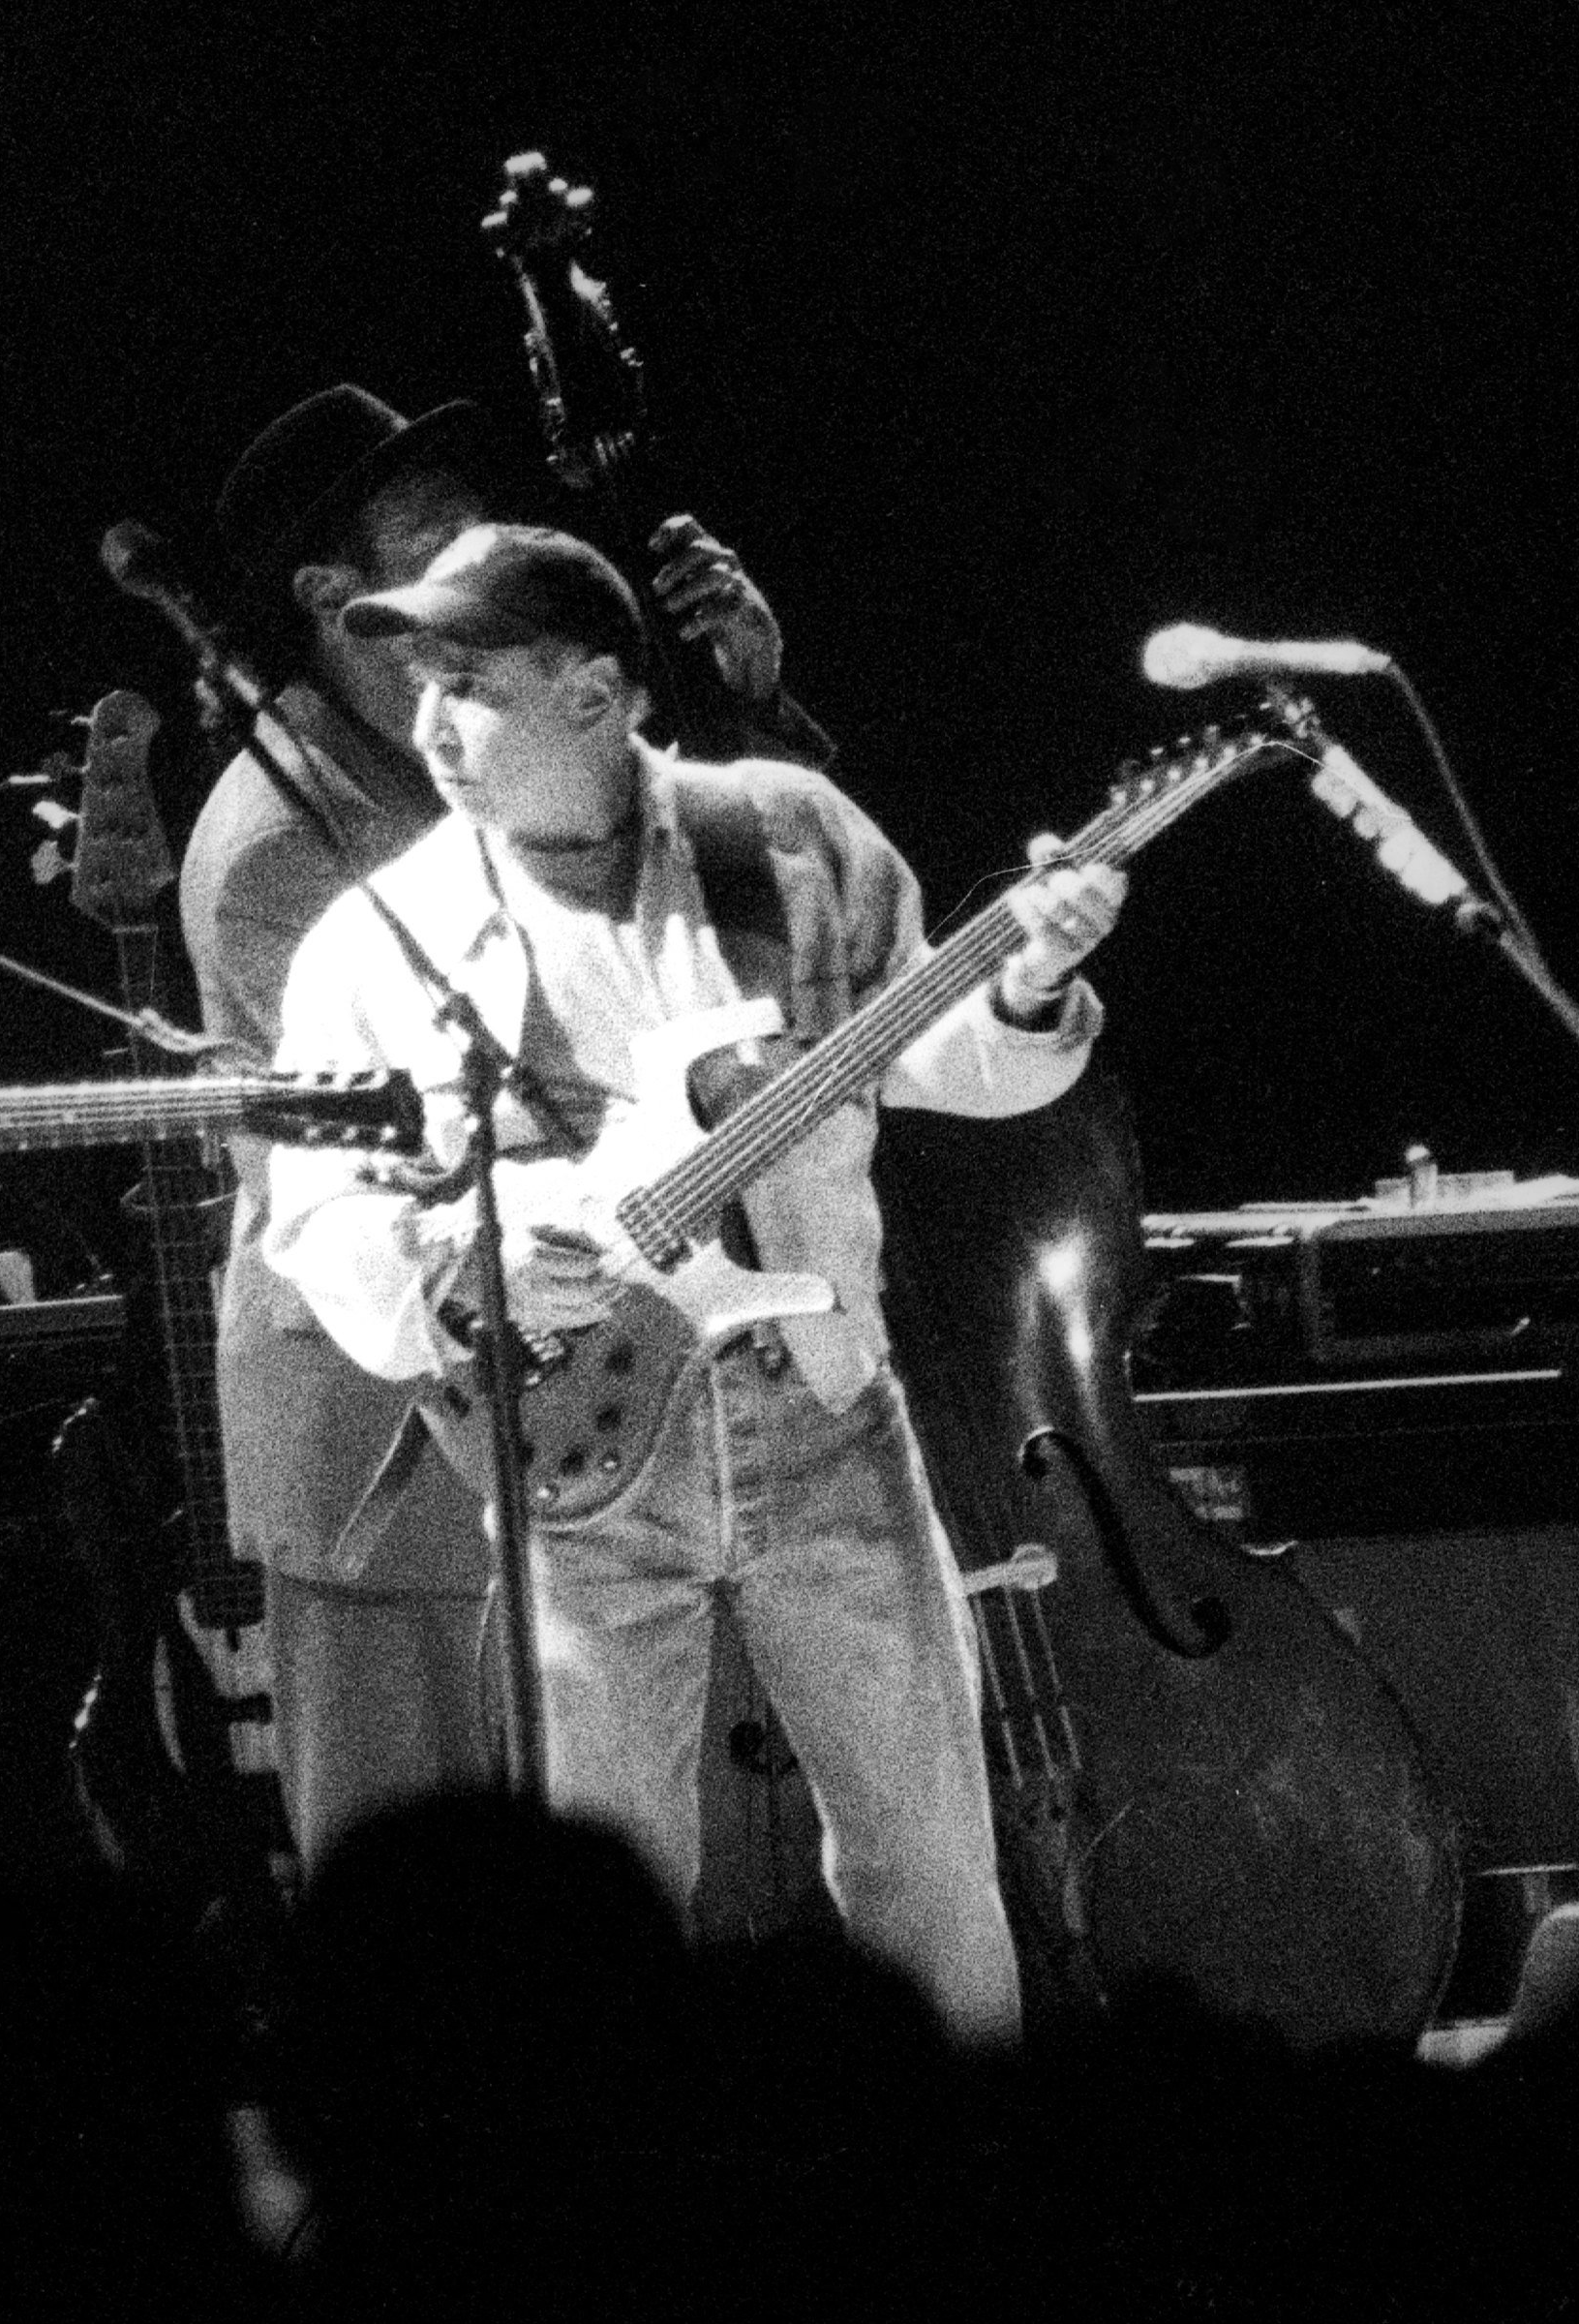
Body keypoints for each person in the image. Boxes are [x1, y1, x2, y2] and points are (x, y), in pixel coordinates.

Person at [262, 522, 1127, 2044]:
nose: (429, 725)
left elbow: (946, 1061)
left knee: (929, 1867)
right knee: (598, 1907)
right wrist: (483, 1261)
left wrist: (1031, 979)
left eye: (471, 684)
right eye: (422, 687)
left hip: (827, 1419)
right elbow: (320, 1226)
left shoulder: (780, 835)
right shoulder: (374, 941)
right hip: (579, 1469)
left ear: (598, 694)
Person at [177, 383, 827, 1867]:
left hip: (575, 1400)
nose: (490, 556)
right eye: (439, 541)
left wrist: (742, 709)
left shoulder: (495, 768)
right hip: (392, 1454)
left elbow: (773, 953)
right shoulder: (286, 848)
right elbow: (481, 1141)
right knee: (427, 1933)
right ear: (340, 605)